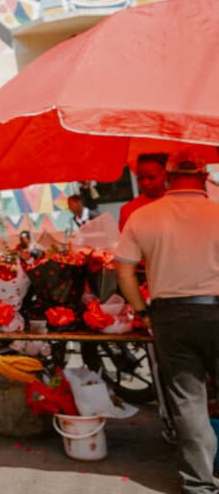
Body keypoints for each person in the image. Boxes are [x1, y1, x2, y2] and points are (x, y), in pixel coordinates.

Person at [115, 149, 219, 494]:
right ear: (204, 176)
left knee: (189, 401)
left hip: (170, 316)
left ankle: (199, 484)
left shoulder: (143, 217)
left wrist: (142, 310)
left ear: (169, 177)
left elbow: (123, 269)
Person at [118, 153, 168, 231]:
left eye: (151, 177)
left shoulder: (181, 204)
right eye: (140, 178)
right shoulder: (128, 210)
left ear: (165, 175)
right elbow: (124, 241)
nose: (145, 183)